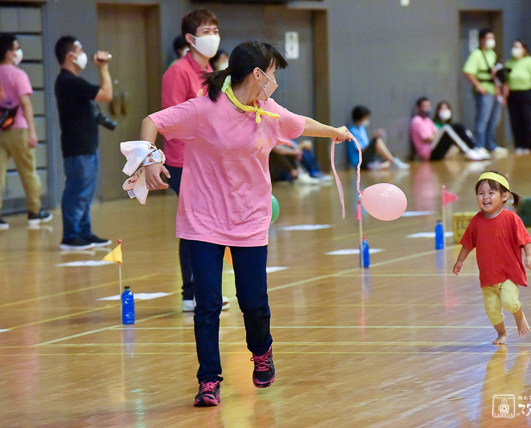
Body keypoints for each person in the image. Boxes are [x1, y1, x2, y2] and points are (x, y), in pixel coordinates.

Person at [139, 40, 350, 407]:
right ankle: (208, 380)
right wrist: (149, 159)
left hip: (249, 219)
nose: (274, 81)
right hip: (202, 219)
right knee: (207, 304)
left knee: (253, 303)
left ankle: (262, 351)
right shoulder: (205, 109)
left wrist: (335, 132)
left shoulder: (267, 111)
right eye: (272, 73)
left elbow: (301, 124)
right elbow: (152, 122)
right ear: (257, 74)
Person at [161, 9, 229, 312]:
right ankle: (192, 293)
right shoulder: (177, 72)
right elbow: (171, 120)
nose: (212, 36)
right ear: (190, 39)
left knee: (204, 224)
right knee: (196, 225)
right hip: (183, 161)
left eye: (215, 30)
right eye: (206, 31)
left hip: (209, 161)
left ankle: (199, 290)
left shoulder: (213, 71)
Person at [453, 171, 531, 345]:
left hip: (509, 274)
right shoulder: (476, 221)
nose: (485, 197)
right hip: (488, 277)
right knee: (491, 310)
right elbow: (468, 243)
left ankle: (519, 316)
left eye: (491, 193)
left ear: (505, 195)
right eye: (481, 193)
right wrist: (460, 260)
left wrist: (530, 256)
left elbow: (526, 240)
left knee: (509, 301)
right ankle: (502, 333)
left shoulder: (511, 218)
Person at [54, 36, 113, 250]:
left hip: (86, 147)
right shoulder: (69, 81)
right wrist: (103, 68)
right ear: (70, 56)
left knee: (86, 192)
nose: (83, 54)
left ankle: (84, 232)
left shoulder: (70, 82)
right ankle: (71, 235)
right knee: (77, 191)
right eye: (79, 50)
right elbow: (106, 94)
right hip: (77, 148)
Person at [0, 34, 52, 229]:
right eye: (16, 48)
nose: (18, 52)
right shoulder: (18, 75)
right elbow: (25, 103)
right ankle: (34, 211)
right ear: (8, 53)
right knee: (28, 171)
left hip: (0, 130)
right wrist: (32, 132)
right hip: (18, 129)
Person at [463, 29, 508, 157]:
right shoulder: (476, 54)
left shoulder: (492, 54)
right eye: (488, 38)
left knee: (494, 119)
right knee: (482, 119)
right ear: (481, 39)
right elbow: (468, 71)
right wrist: (478, 86)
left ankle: (491, 144)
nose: (491, 41)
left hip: (494, 90)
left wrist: (499, 91)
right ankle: (479, 145)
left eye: (492, 38)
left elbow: (495, 76)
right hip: (484, 91)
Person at [410, 97, 484, 161]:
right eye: (425, 106)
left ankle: (474, 147)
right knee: (446, 128)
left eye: (429, 106)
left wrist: (438, 135)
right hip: (428, 153)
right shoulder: (417, 121)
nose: (428, 109)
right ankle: (468, 152)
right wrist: (439, 135)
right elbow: (428, 138)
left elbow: (436, 133)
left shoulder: (428, 120)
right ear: (418, 108)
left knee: (457, 126)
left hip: (434, 147)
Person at [503, 40, 531, 156]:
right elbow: (505, 80)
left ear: (524, 49)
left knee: (528, 118)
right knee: (515, 120)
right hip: (513, 94)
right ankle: (520, 144)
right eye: (513, 46)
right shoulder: (509, 63)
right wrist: (504, 95)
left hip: (526, 92)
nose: (515, 49)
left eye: (517, 47)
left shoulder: (530, 61)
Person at [347, 105, 409, 170]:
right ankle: (393, 163)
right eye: (366, 117)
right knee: (377, 141)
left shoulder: (362, 128)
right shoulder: (352, 130)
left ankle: (377, 165)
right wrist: (374, 141)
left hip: (367, 157)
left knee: (391, 155)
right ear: (360, 117)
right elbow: (360, 150)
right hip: (359, 160)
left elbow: (366, 145)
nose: (367, 120)